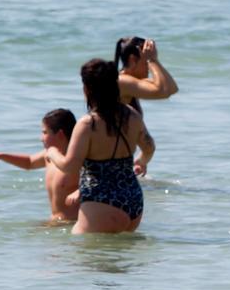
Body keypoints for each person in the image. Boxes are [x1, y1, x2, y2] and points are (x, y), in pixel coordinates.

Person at [47, 59, 156, 234]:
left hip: (101, 201)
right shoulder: (132, 115)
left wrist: (52, 153)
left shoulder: (88, 124)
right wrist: (142, 161)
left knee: (84, 257)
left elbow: (70, 166)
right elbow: (149, 148)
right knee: (118, 258)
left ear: (87, 89)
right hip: (133, 200)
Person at [0, 109, 81, 222]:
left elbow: (99, 180)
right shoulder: (49, 155)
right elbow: (29, 162)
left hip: (73, 222)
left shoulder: (76, 160)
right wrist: (2, 156)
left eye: (45, 133)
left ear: (60, 134)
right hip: (55, 221)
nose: (41, 138)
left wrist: (80, 191)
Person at [115, 36, 179, 116]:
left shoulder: (134, 81)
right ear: (133, 60)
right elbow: (162, 92)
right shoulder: (121, 82)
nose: (149, 67)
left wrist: (155, 60)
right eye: (146, 62)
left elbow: (172, 89)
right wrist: (151, 60)